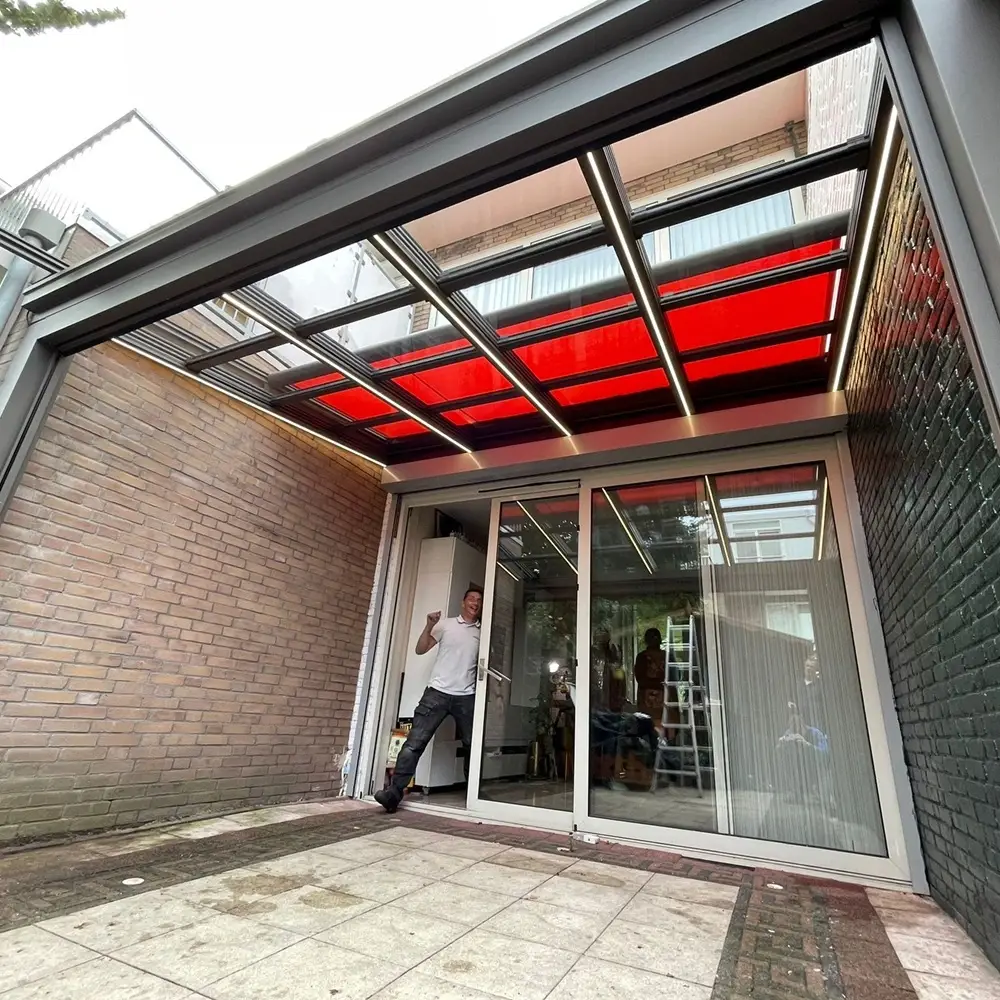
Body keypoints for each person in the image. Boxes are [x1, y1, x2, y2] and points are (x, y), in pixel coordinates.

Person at [374, 587, 483, 813]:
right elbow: (420, 649)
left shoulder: (483, 632)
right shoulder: (446, 625)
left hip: (466, 696)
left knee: (473, 746)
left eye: (479, 600)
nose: (475, 602)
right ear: (463, 602)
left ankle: (475, 798)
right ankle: (393, 793)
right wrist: (428, 625)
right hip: (437, 693)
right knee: (414, 743)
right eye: (471, 598)